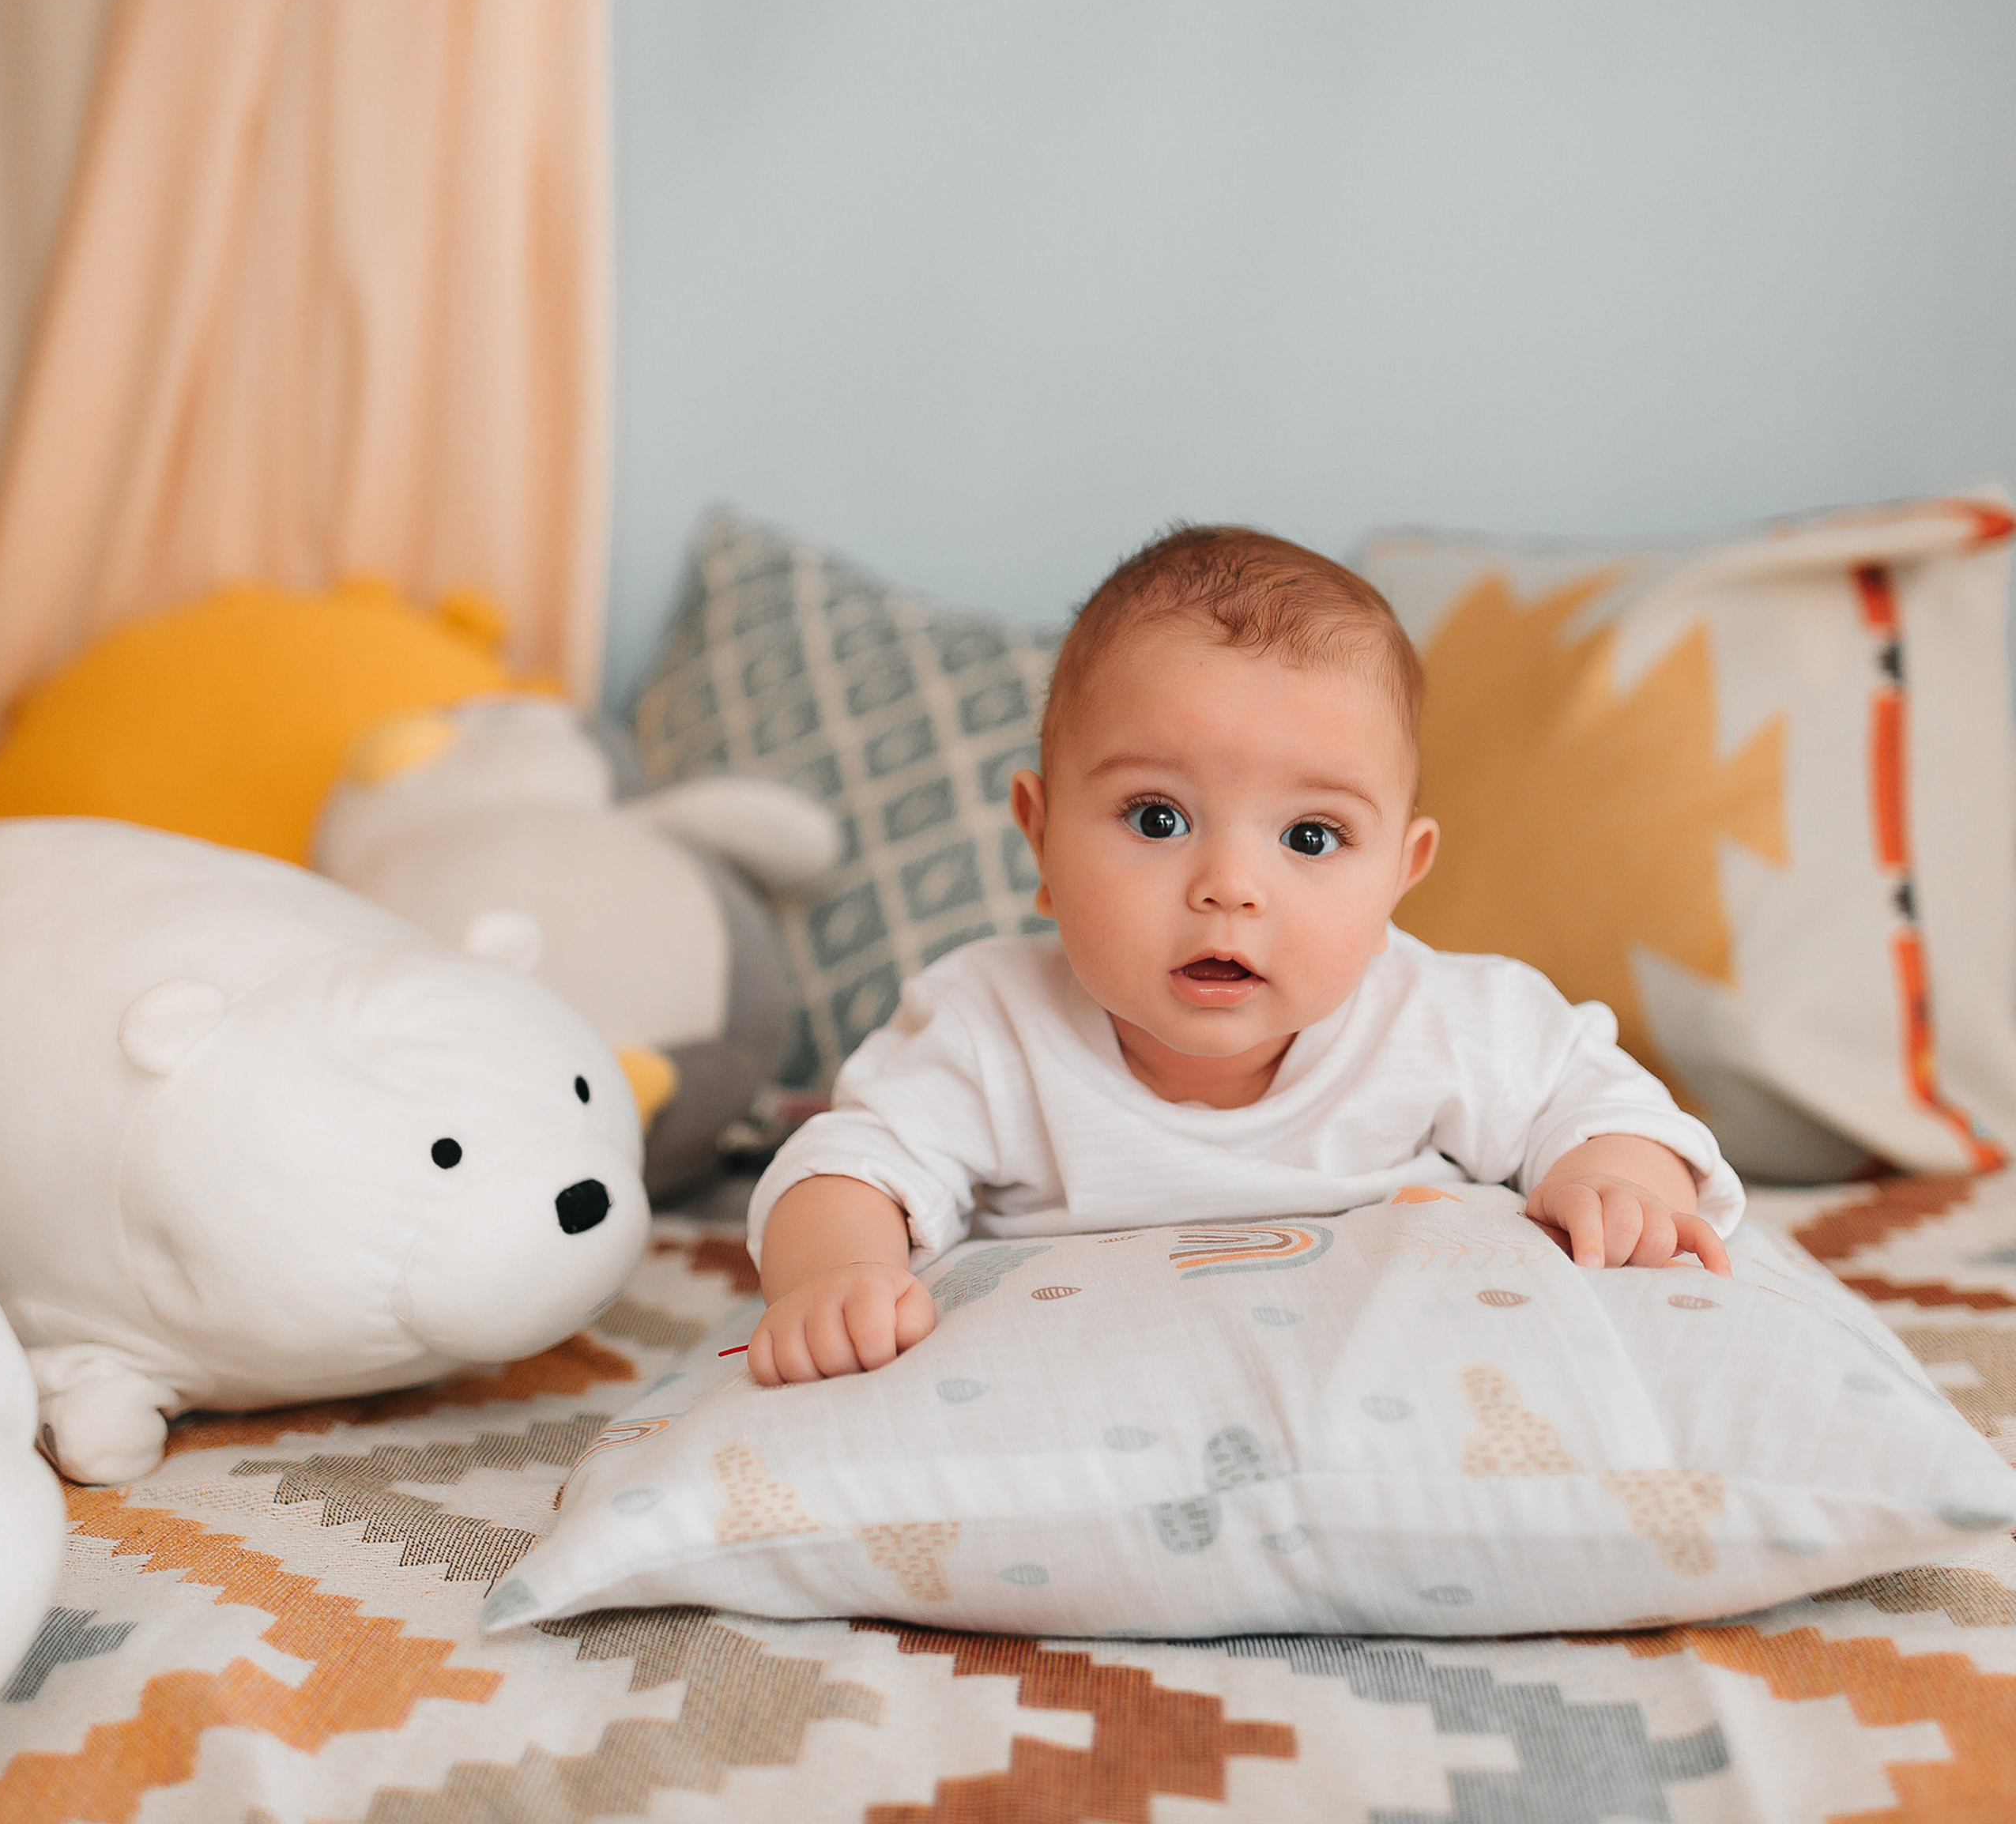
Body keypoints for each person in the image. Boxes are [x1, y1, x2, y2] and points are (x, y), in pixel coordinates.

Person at [744, 525, 1742, 1387]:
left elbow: (1605, 1102)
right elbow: (848, 1166)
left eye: (1310, 837)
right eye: (1157, 817)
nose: (1229, 885)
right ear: (1039, 837)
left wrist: (1617, 1182)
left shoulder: (1443, 1019)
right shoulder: (987, 1025)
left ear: (1402, 869)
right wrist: (834, 1274)